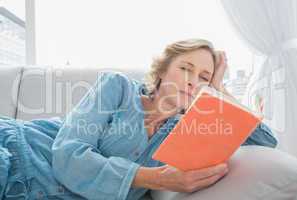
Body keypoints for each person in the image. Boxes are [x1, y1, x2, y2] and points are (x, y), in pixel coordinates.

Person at [0, 38, 277, 200]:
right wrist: (158, 179)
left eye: (203, 78)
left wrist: (218, 88)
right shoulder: (117, 87)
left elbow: (266, 141)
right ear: (162, 71)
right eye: (185, 69)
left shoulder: (186, 132)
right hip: (16, 152)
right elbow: (68, 155)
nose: (194, 82)